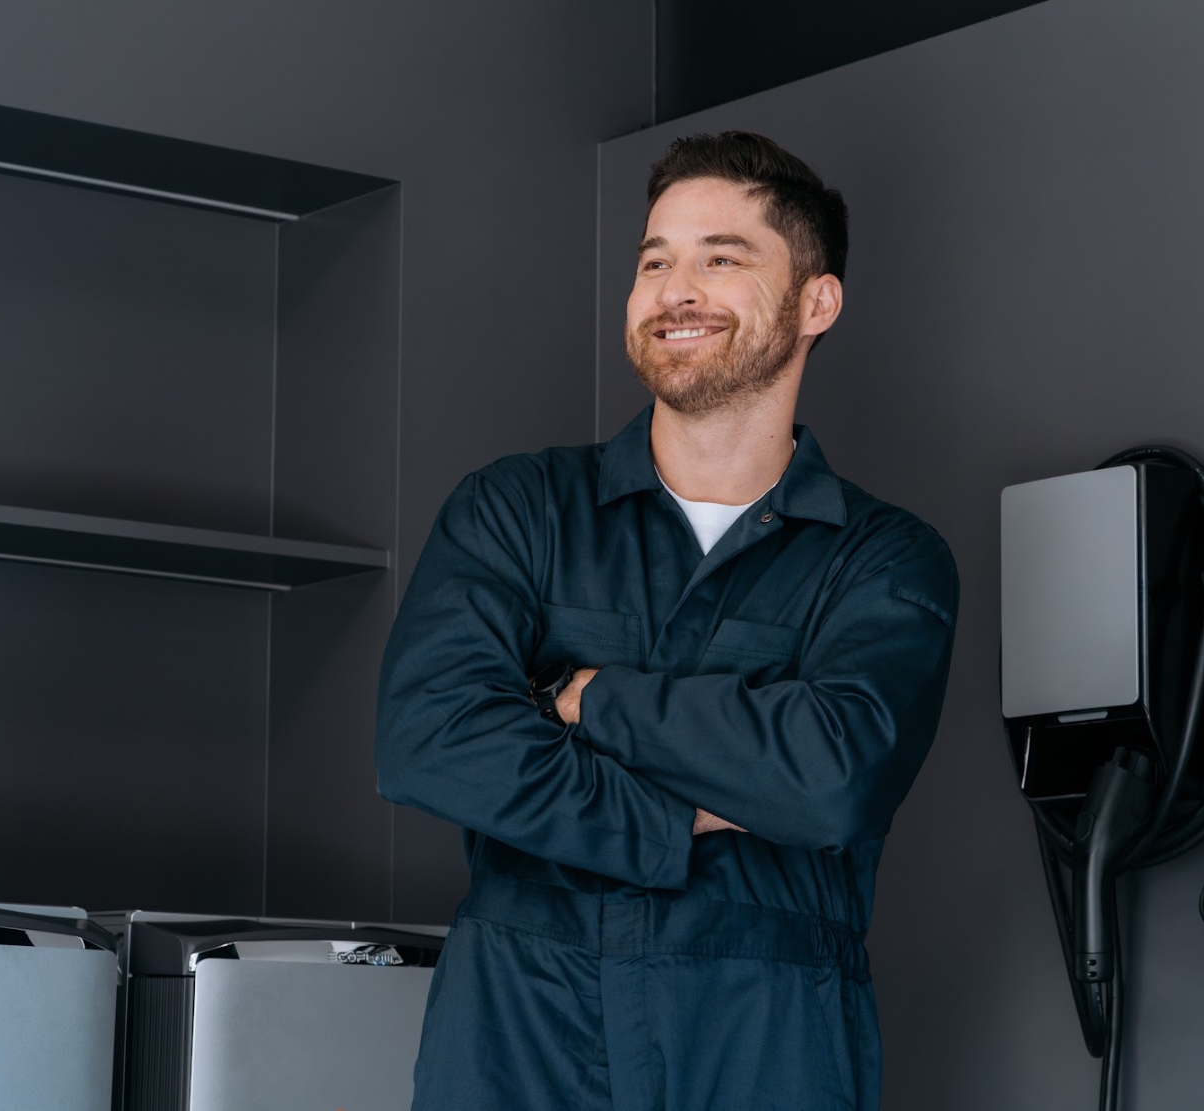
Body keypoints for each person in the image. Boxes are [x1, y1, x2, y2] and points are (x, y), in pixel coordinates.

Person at [375, 131, 957, 1111]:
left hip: (768, 1036)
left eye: (718, 258)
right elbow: (428, 738)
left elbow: (828, 778)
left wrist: (586, 696)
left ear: (816, 301)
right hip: (517, 1030)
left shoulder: (882, 558)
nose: (672, 290)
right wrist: (676, 813)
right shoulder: (517, 511)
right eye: (654, 262)